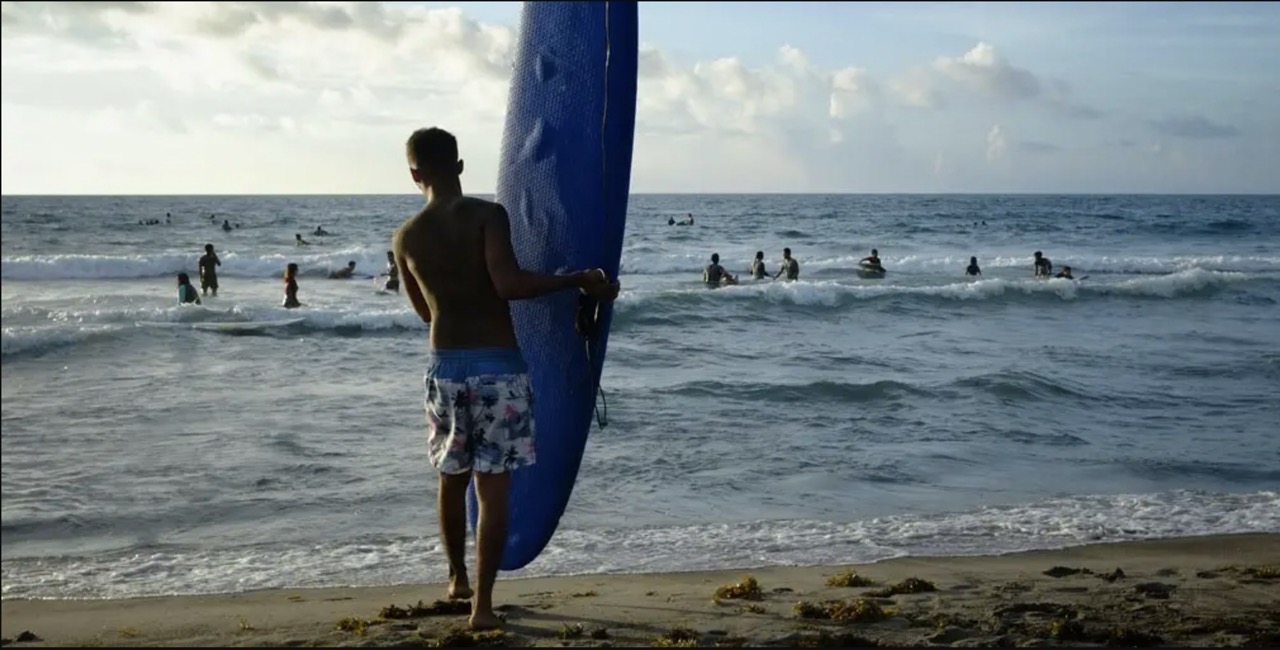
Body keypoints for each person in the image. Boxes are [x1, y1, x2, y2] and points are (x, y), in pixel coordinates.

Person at [393, 126, 618, 631]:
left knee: (450, 481)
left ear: (414, 174)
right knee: (492, 491)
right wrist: (575, 279)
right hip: (497, 368)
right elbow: (509, 284)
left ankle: (456, 579)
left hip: (445, 367)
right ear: (460, 165)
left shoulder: (406, 236)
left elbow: (424, 314)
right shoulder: (487, 216)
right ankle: (483, 609)